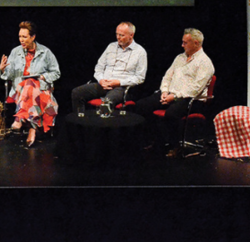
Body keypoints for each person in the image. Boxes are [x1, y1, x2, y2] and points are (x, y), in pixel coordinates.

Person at [134, 28, 215, 157]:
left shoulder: (205, 63)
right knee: (141, 105)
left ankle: (175, 146)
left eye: (185, 43)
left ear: (196, 43)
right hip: (171, 94)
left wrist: (174, 96)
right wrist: (165, 92)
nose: (182, 45)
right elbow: (167, 77)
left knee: (171, 114)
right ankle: (156, 140)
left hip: (191, 99)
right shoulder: (180, 58)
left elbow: (195, 89)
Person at [0, 21, 60, 147]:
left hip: (41, 89)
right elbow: (9, 75)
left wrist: (43, 76)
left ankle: (19, 118)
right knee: (29, 84)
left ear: (33, 37)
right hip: (20, 91)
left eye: (24, 37)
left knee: (31, 84)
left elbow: (56, 73)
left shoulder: (45, 52)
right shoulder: (15, 52)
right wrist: (3, 69)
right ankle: (32, 129)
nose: (21, 40)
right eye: (20, 36)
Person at [70, 22, 147, 114]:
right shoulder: (111, 47)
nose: (118, 37)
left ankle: (104, 127)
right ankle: (80, 121)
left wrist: (119, 82)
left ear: (131, 35)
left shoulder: (140, 52)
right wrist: (101, 80)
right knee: (77, 93)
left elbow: (140, 77)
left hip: (121, 87)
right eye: (117, 34)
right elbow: (99, 67)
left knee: (107, 101)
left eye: (121, 35)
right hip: (103, 84)